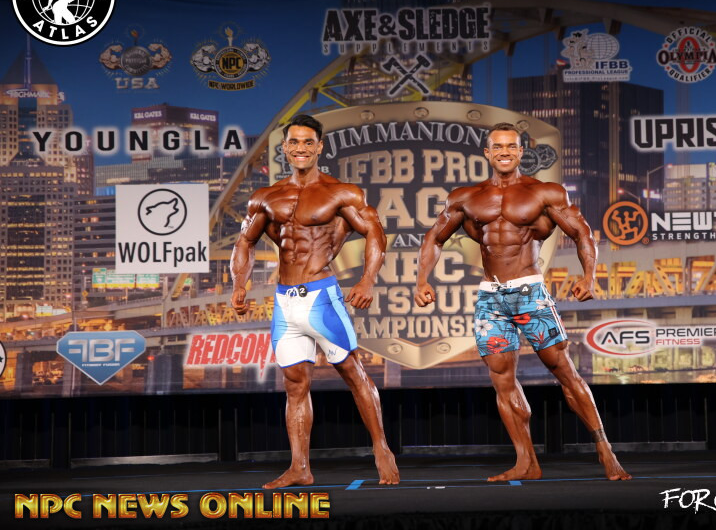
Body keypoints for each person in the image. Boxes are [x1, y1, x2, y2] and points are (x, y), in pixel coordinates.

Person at [414, 122, 630, 481]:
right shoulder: (466, 198)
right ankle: (526, 461)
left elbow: (582, 233)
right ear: (487, 153)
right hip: (491, 297)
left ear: (520, 152)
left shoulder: (543, 193)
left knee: (564, 371)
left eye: (511, 147)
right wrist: (422, 280)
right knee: (502, 380)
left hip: (529, 292)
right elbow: (434, 238)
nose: (504, 152)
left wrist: (588, 276)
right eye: (497, 147)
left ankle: (605, 450)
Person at [231, 114, 399, 487]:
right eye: (294, 142)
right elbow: (245, 241)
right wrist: (239, 284)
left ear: (319, 147)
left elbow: (375, 231)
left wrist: (368, 280)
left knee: (353, 372)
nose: (301, 148)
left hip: (322, 298)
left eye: (308, 142)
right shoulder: (266, 197)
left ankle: (381, 449)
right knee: (294, 385)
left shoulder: (341, 193)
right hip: (284, 303)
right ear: (285, 147)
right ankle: (300, 467)